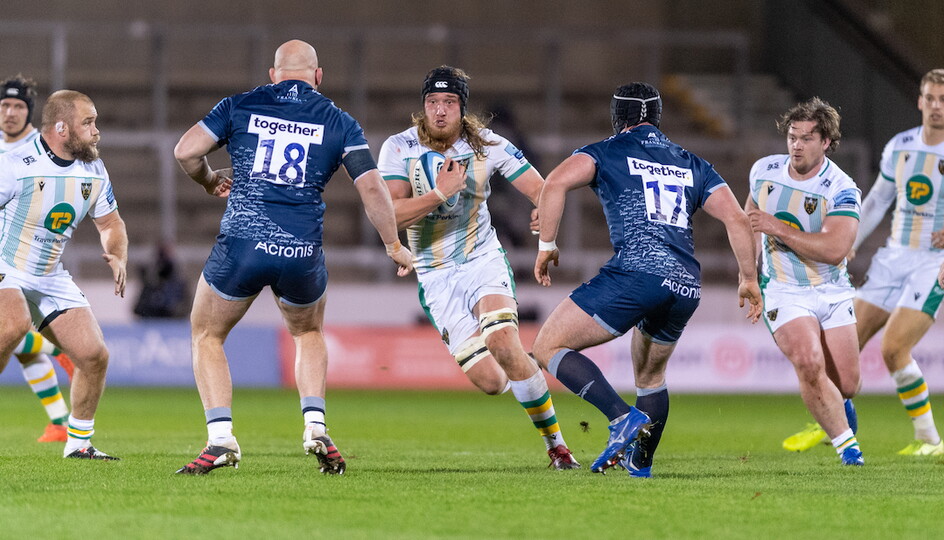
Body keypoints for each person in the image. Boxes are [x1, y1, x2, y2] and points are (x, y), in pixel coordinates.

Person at [173, 39, 413, 475]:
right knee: (307, 332)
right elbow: (372, 188)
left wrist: (208, 181)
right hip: (301, 249)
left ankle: (221, 438)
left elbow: (186, 150)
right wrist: (393, 245)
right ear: (318, 76)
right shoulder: (339, 121)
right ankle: (315, 425)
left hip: (243, 245)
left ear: (273, 75)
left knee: (207, 334)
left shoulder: (240, 105)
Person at [531, 82, 763, 477]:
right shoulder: (692, 162)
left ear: (617, 116)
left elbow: (554, 183)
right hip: (685, 284)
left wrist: (547, 244)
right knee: (651, 376)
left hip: (638, 274)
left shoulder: (606, 151)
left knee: (547, 346)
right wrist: (748, 278)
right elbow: (737, 219)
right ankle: (641, 464)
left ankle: (621, 417)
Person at [377, 66, 580, 470]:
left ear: (462, 107)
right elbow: (390, 215)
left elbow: (544, 190)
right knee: (491, 381)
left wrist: (544, 215)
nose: (440, 110)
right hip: (435, 275)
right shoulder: (398, 148)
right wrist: (439, 194)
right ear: (423, 106)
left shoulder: (488, 144)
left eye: (449, 102)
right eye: (432, 102)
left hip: (481, 258)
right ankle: (524, 369)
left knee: (502, 340)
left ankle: (557, 447)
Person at [786, 69, 944, 457]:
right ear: (920, 101)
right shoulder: (901, 146)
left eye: (943, 99)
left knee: (894, 348)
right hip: (894, 256)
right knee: (841, 344)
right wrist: (850, 241)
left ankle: (929, 439)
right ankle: (834, 419)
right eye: (930, 98)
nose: (935, 105)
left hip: (935, 263)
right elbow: (879, 200)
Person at [0, 89, 128, 459]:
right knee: (12, 324)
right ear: (61, 128)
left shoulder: (94, 170)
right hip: (7, 265)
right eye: (88, 123)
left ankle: (79, 443)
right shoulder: (15, 164)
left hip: (49, 275)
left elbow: (111, 223)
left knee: (93, 355)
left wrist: (117, 254)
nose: (96, 131)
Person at [746, 98, 865, 466]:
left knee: (847, 384)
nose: (796, 145)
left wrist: (777, 227)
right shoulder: (764, 172)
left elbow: (834, 250)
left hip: (831, 289)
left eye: (806, 138)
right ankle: (848, 448)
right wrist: (747, 275)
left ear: (826, 141)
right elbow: (749, 220)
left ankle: (837, 406)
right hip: (783, 289)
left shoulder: (841, 188)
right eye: (792, 137)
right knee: (809, 362)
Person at [1, 74, 78, 442]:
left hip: (26, 256)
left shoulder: (41, 147)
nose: (10, 112)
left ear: (28, 112)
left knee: (10, 332)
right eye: (4, 105)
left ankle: (62, 349)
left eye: (18, 106)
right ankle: (60, 421)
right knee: (17, 341)